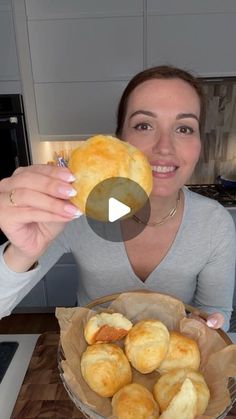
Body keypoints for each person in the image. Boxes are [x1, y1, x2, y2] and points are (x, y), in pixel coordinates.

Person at [0, 65, 235, 332]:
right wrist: (21, 252)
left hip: (174, 366)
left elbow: (217, 312)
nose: (165, 147)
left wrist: (209, 326)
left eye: (184, 129)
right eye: (144, 125)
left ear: (199, 144)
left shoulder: (215, 223)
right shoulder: (79, 211)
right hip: (91, 363)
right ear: (119, 141)